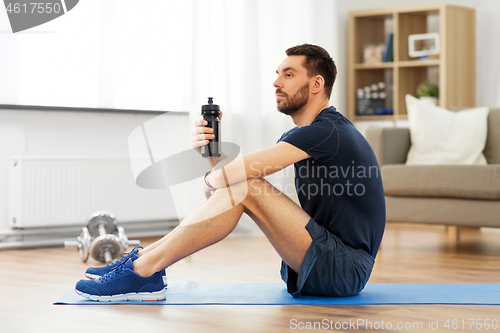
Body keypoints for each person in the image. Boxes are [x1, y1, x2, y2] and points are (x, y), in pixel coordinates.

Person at [75, 44, 385, 301]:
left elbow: (233, 180)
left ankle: (143, 271)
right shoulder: (318, 132)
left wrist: (215, 180)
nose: (276, 82)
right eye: (277, 74)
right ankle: (141, 263)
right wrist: (212, 158)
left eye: (288, 75)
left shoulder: (325, 132)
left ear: (316, 84)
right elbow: (231, 180)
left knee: (246, 185)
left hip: (344, 268)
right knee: (243, 184)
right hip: (329, 260)